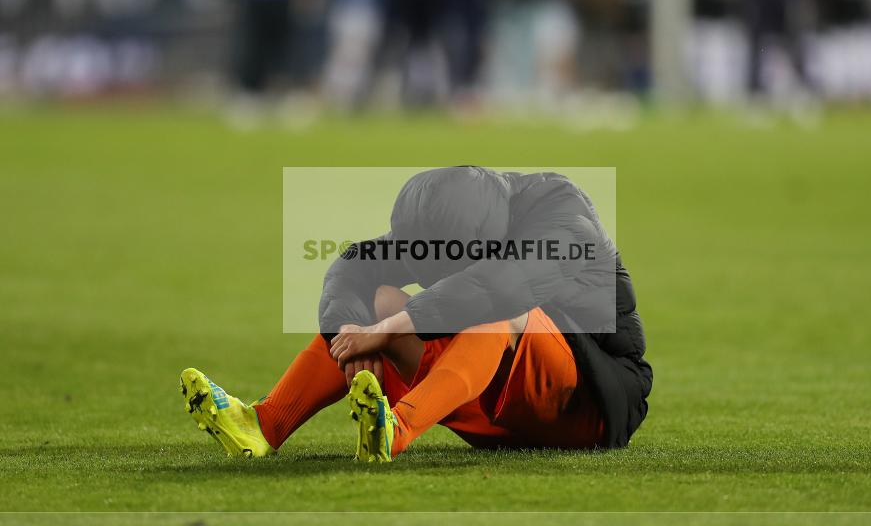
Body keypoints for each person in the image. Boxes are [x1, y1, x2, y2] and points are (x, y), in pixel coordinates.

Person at [179, 167, 652, 461]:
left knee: (496, 312)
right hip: (499, 404)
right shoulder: (456, 217)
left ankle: (396, 429)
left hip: (588, 407)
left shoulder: (562, 215)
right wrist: (349, 331)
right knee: (377, 301)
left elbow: (501, 287)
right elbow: (355, 264)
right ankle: (263, 426)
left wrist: (387, 331)